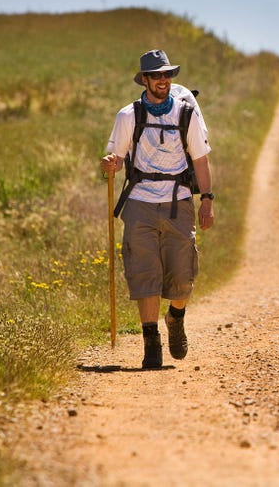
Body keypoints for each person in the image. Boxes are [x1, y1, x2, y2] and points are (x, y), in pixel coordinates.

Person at [100, 49, 215, 369]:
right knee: (144, 272)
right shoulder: (128, 116)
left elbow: (201, 161)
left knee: (183, 276)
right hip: (139, 202)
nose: (163, 80)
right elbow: (115, 158)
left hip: (178, 202)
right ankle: (151, 342)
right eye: (157, 76)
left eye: (167, 75)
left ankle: (175, 317)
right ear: (145, 80)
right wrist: (109, 164)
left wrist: (207, 199)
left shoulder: (186, 114)